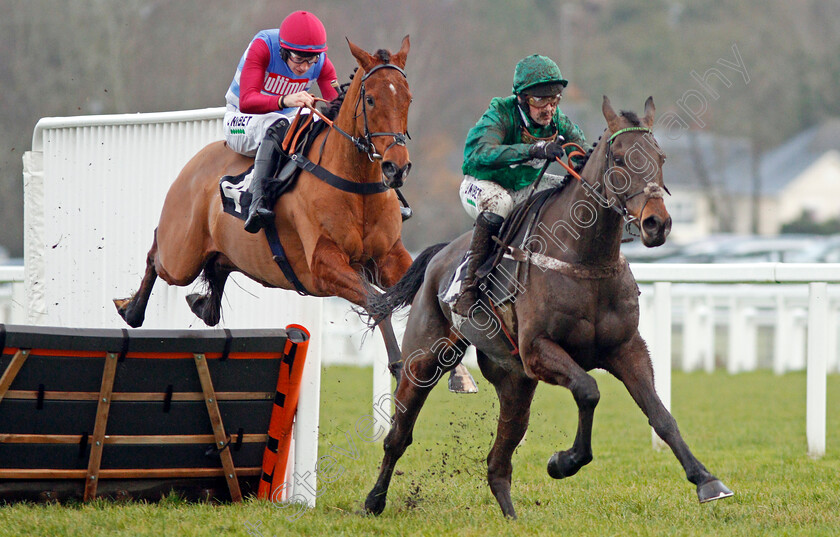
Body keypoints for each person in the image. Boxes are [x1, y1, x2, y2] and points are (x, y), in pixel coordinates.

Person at [452, 54, 588, 316]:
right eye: (540, 100)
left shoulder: (558, 119)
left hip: (525, 185)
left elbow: (581, 151)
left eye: (554, 99)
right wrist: (533, 149)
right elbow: (479, 153)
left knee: (573, 193)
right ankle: (468, 287)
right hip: (482, 185)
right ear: (522, 99)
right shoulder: (500, 113)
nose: (549, 108)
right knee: (501, 203)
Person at [224, 10, 339, 233]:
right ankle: (257, 203)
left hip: (286, 122)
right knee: (277, 124)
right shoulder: (263, 46)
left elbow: (337, 107)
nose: (305, 67)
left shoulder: (321, 61)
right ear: (283, 50)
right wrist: (285, 100)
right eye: (298, 58)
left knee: (324, 125)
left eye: (311, 60)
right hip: (241, 119)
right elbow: (247, 100)